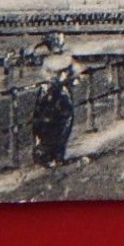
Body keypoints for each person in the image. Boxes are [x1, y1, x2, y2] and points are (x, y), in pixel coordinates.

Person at [31, 32, 82, 167]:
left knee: (48, 124)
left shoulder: (48, 60)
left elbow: (43, 76)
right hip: (59, 94)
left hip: (48, 94)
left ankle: (48, 155)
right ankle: (55, 155)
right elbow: (77, 75)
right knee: (61, 123)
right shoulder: (67, 58)